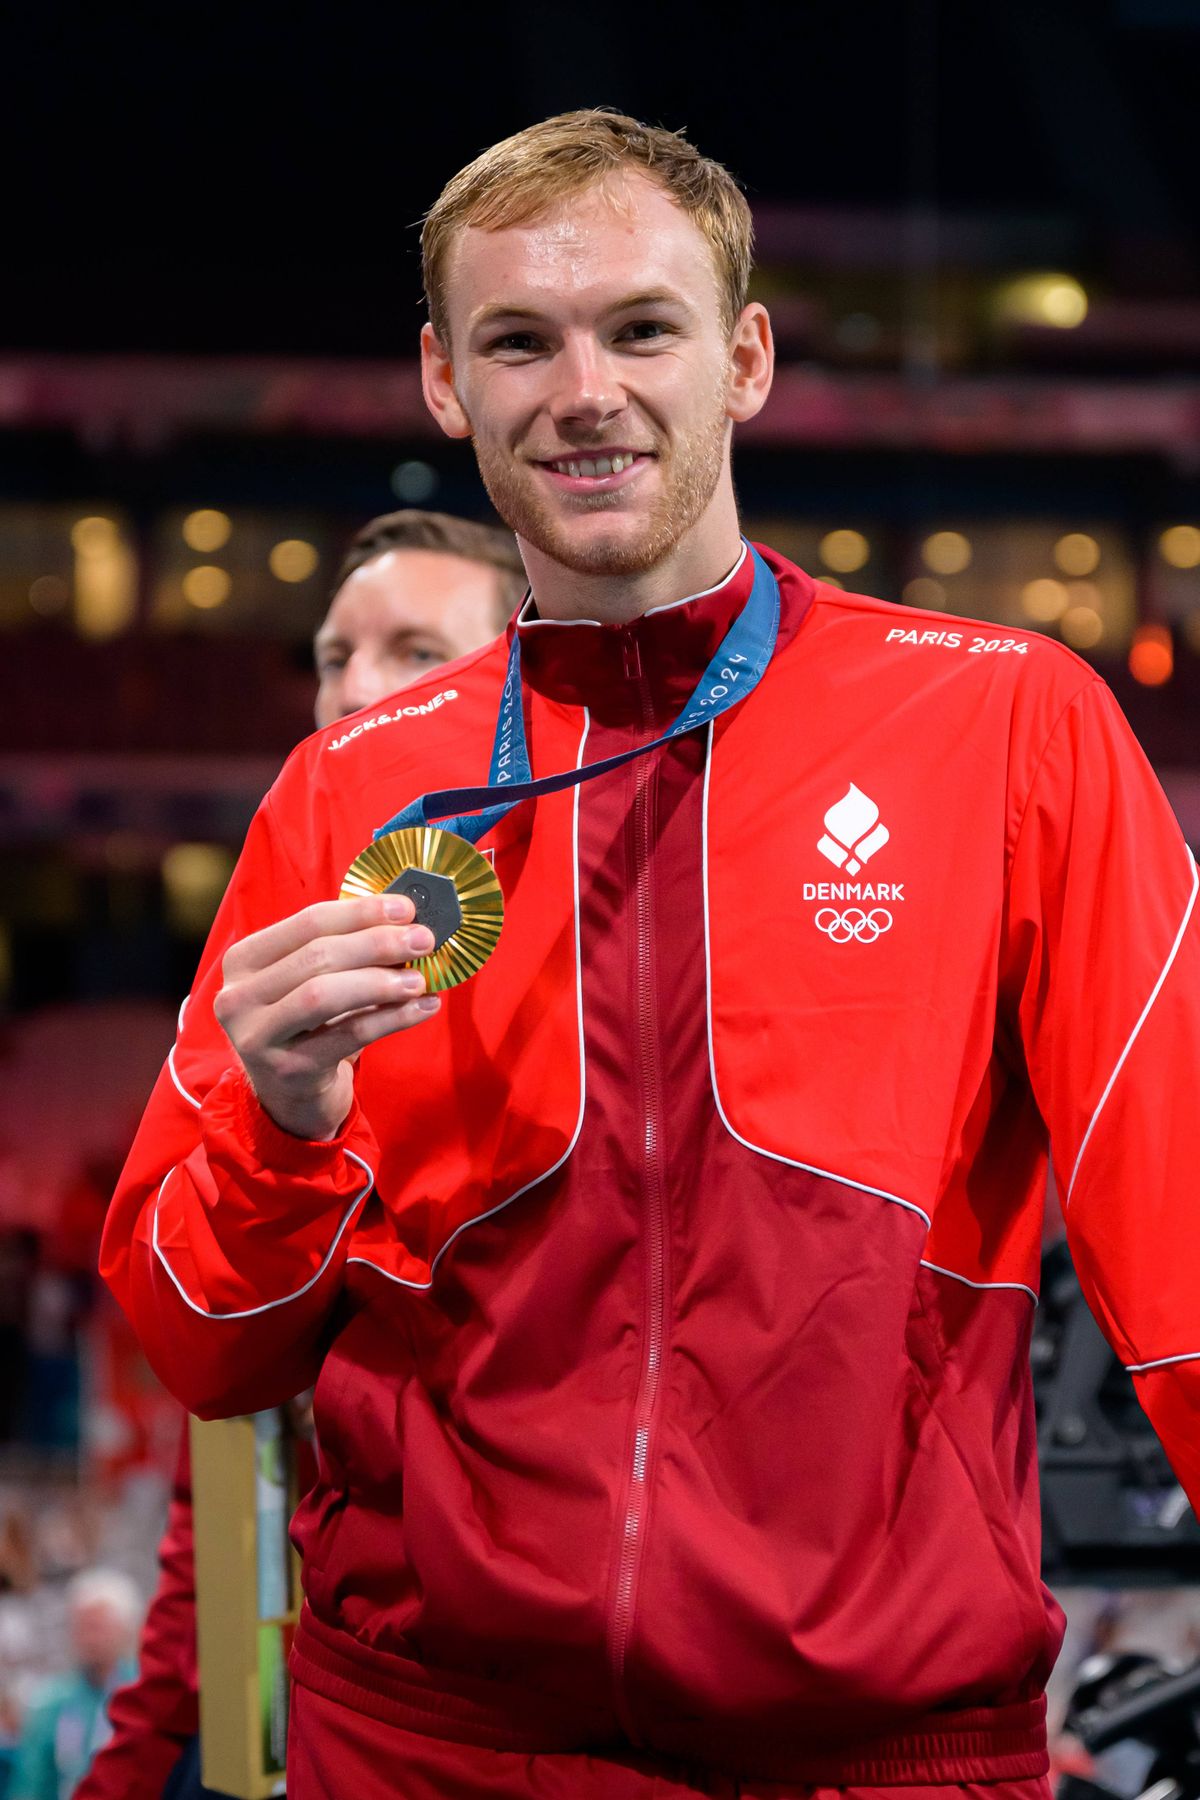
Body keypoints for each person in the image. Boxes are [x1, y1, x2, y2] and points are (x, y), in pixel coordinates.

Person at [100, 109, 1200, 1800]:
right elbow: (200, 1347)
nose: (583, 389)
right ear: (445, 383)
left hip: (882, 1750)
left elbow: (1183, 1225)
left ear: (746, 356)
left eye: (640, 327)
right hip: (429, 1748)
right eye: (519, 341)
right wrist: (280, 1125)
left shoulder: (1003, 724)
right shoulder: (349, 791)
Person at [79, 509, 520, 1800]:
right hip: (311, 1714)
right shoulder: (255, 989)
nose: (358, 690)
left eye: (414, 651)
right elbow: (217, 1455)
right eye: (335, 656)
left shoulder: (558, 1005)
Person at [9, 1571, 138, 1800]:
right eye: (82, 1627)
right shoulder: (50, 1703)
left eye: (98, 1627)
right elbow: (31, 1785)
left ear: (125, 1630)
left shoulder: (143, 1698)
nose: (90, 1639)